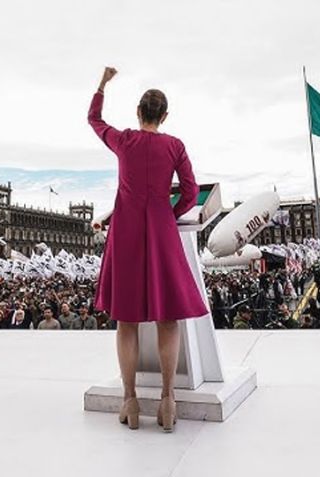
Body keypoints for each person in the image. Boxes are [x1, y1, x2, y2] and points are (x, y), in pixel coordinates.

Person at [89, 66, 207, 432]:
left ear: (138, 113)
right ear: (164, 116)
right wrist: (167, 214)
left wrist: (103, 83)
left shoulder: (123, 140)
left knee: (126, 319)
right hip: (160, 229)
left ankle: (130, 399)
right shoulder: (174, 146)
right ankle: (168, 401)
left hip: (125, 231)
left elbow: (94, 119)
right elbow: (191, 190)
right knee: (167, 316)